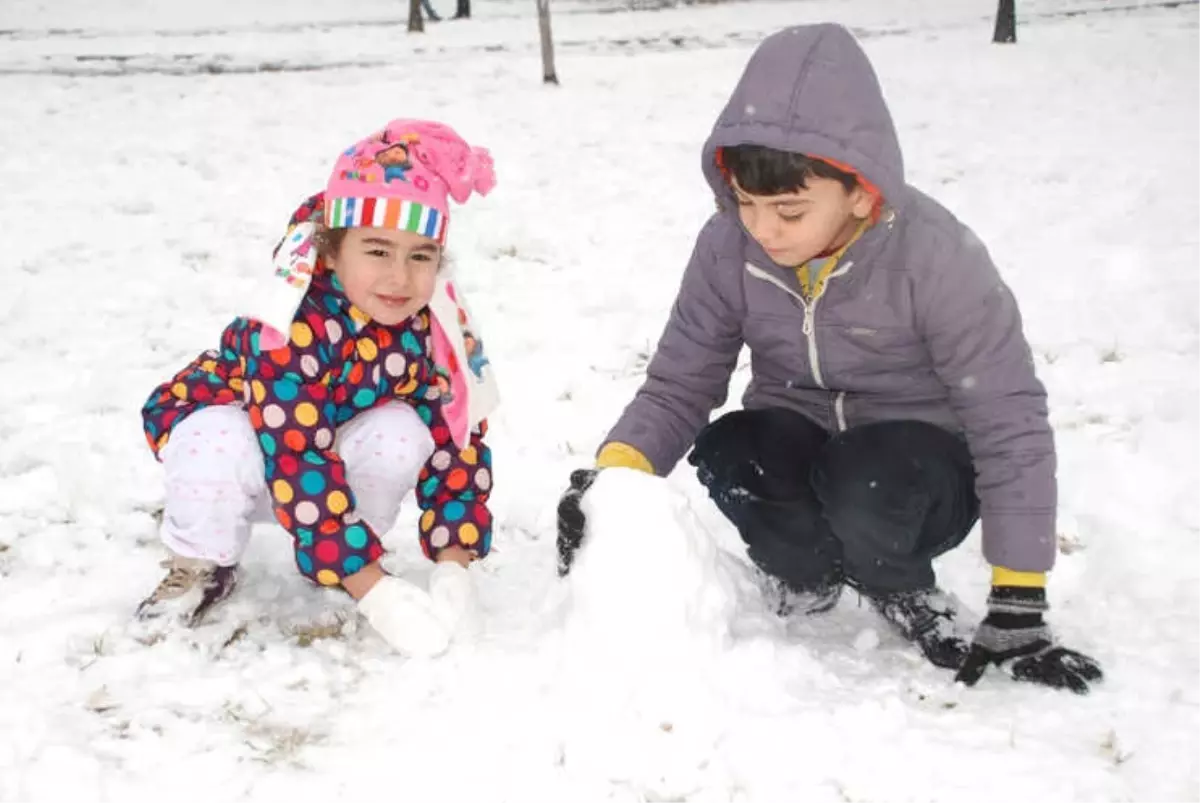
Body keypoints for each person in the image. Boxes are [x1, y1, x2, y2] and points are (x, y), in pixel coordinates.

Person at [556, 24, 1102, 693]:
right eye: (747, 203)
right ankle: (806, 569)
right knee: (735, 448)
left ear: (861, 191)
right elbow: (679, 381)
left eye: (788, 209)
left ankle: (898, 583)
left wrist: (1019, 596)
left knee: (864, 479)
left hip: (918, 467)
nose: (763, 228)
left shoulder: (935, 256)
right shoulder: (730, 246)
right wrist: (615, 478)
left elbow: (1006, 414)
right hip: (803, 434)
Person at [139, 119, 499, 659]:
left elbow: (457, 436)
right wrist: (373, 590)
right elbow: (297, 456)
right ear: (330, 251)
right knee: (214, 438)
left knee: (405, 431)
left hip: (328, 451)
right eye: (377, 251)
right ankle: (200, 560)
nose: (400, 279)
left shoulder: (432, 327)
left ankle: (348, 558)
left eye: (420, 255)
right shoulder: (286, 328)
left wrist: (455, 562)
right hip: (252, 455)